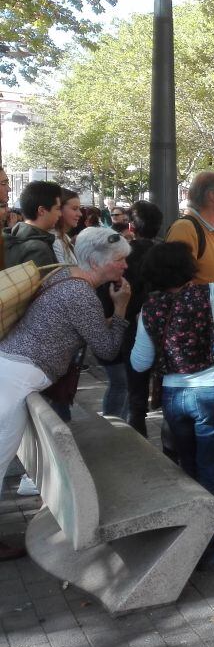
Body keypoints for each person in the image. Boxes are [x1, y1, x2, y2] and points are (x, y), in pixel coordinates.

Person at [130, 241, 214, 569]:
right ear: (188, 267)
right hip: (211, 394)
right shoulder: (210, 294)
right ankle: (210, 547)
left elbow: (139, 362)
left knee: (187, 470)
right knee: (211, 473)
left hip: (173, 397)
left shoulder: (149, 308)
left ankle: (191, 543)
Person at [0, 227, 131, 561]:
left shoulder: (61, 277)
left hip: (11, 369)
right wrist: (120, 310)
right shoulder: (82, 294)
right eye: (119, 261)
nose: (124, 267)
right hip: (16, 382)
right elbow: (107, 348)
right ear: (94, 261)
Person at [125, 201, 164, 436]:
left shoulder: (124, 254)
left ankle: (137, 443)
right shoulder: (166, 252)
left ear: (131, 226)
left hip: (132, 326)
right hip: (165, 327)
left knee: (136, 394)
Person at [3, 180, 62, 268]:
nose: (60, 214)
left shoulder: (13, 238)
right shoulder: (38, 249)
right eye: (57, 209)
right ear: (41, 211)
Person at [52, 188, 81, 264]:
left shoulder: (65, 237)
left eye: (79, 209)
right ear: (59, 209)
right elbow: (63, 274)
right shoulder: (54, 240)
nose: (80, 214)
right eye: (74, 209)